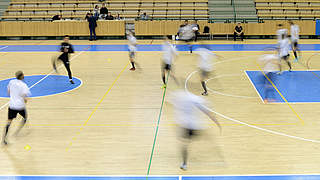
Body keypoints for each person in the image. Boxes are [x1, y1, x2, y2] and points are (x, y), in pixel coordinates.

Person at [168, 90, 221, 171]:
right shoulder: (197, 99)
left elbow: (169, 102)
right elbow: (208, 112)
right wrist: (217, 122)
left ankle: (184, 164)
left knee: (184, 144)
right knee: (203, 136)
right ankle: (212, 147)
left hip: (185, 125)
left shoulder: (180, 96)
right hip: (195, 126)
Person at [2, 71, 31, 145]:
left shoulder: (11, 82)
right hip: (20, 106)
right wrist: (25, 100)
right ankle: (17, 131)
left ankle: (4, 138)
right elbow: (25, 97)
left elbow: (8, 92)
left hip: (12, 106)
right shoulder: (24, 85)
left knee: (9, 122)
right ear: (22, 76)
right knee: (25, 118)